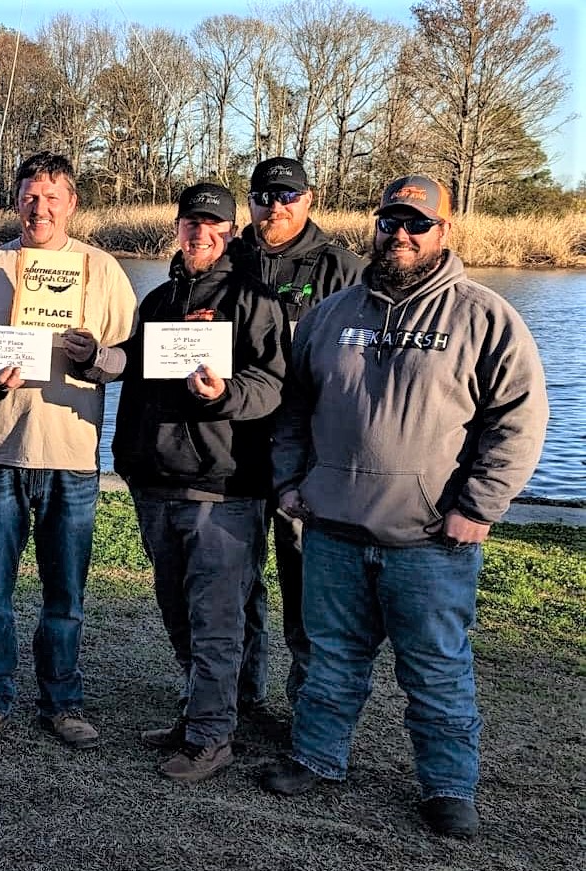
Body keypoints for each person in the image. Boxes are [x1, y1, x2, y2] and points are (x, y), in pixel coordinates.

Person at [258, 176, 547, 838]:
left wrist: (479, 504)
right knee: (330, 658)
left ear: (445, 230)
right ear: (376, 226)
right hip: (331, 528)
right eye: (391, 221)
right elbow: (295, 409)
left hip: (431, 539)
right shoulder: (331, 314)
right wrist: (289, 481)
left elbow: (520, 419)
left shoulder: (483, 316)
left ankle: (448, 786)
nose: (403, 234)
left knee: (437, 669)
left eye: (418, 223)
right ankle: (316, 756)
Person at [68, 183, 288, 781]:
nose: (200, 234)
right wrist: (93, 358)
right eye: (191, 223)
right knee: (177, 611)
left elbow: (272, 385)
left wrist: (225, 394)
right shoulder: (160, 297)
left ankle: (213, 739)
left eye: (213, 225)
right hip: (155, 480)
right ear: (178, 227)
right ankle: (200, 714)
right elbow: (134, 362)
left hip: (222, 487)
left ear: (229, 231)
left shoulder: (253, 300)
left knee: (217, 618)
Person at [0, 152, 137, 748]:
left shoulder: (101, 270)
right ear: (17, 199)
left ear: (72, 203)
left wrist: (93, 359)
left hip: (73, 457)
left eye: (53, 197)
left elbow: (128, 358)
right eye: (30, 195)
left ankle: (62, 700)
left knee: (66, 594)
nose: (40, 207)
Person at [230, 157, 363, 715]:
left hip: (306, 456)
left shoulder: (342, 268)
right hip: (233, 449)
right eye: (263, 195)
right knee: (234, 587)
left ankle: (309, 714)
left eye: (287, 195)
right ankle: (234, 700)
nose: (274, 207)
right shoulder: (227, 256)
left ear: (310, 198)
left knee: (307, 589)